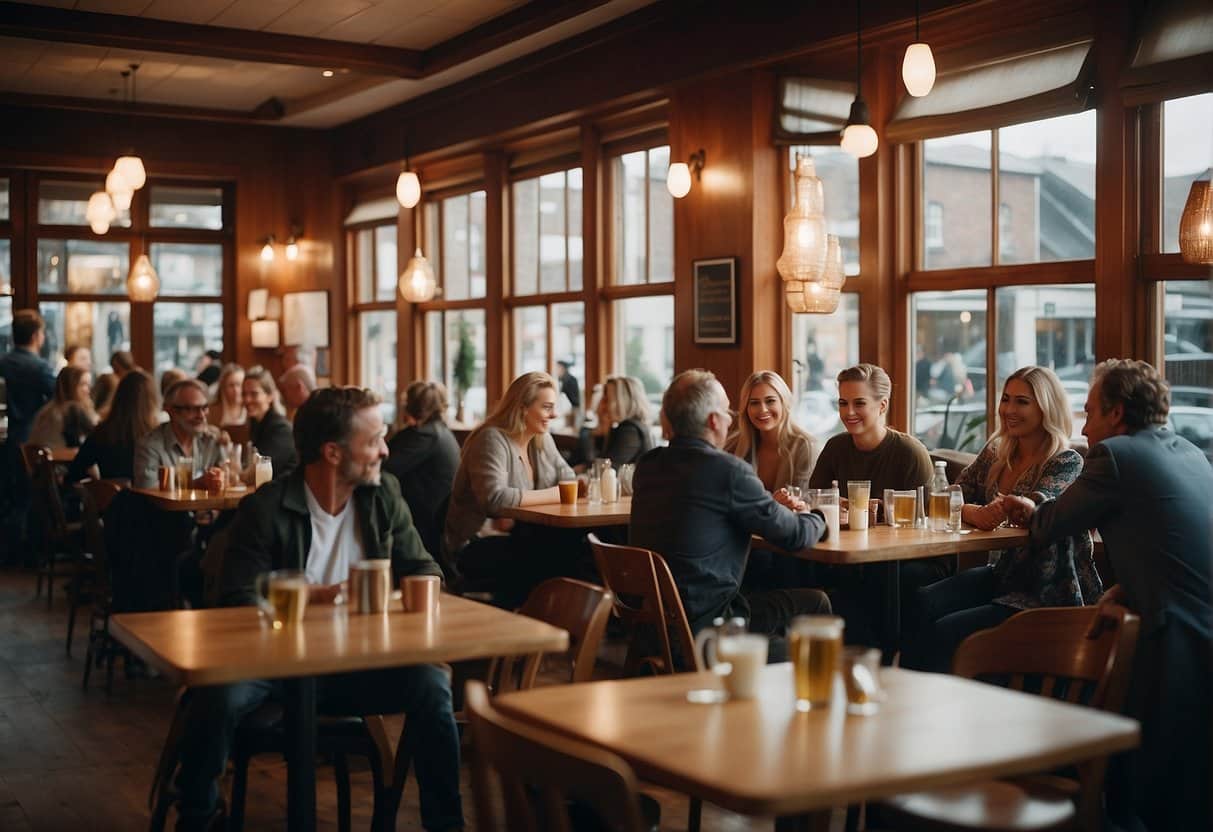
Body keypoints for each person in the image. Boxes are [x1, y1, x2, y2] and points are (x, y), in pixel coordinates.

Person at [173, 387, 463, 832]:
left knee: (432, 685)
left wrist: (409, 594)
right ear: (332, 452)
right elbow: (237, 599)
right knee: (216, 696)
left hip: (363, 661)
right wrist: (314, 596)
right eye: (374, 440)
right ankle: (198, 816)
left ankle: (445, 824)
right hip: (275, 667)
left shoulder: (383, 493)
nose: (386, 450)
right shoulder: (265, 508)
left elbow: (424, 566)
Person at [1002, 359, 1212, 832]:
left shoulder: (1115, 456)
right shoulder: (1190, 451)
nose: (1084, 420)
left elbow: (1048, 526)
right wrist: (1130, 587)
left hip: (1171, 633)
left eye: (1091, 410)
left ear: (1116, 414)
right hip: (1197, 624)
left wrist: (1027, 506)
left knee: (1131, 772)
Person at [902, 366, 1100, 672]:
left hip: (1045, 591)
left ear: (1046, 407)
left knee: (945, 632)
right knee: (919, 602)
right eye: (1006, 399)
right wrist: (974, 513)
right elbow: (945, 495)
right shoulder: (996, 452)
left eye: (1022, 401)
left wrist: (999, 509)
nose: (1008, 409)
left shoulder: (1066, 460)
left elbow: (1035, 508)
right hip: (1004, 574)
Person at [629, 369, 832, 654]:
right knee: (818, 602)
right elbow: (796, 536)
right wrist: (821, 517)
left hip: (656, 621)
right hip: (709, 627)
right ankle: (807, 688)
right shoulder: (728, 471)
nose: (730, 419)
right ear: (713, 421)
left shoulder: (649, 465)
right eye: (727, 412)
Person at [809, 363, 941, 646]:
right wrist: (837, 505)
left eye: (859, 403)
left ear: (882, 406)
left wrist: (873, 511)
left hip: (907, 560)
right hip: (853, 554)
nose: (848, 412)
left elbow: (923, 524)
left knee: (870, 578)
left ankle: (872, 660)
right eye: (843, 403)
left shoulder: (909, 453)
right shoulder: (835, 447)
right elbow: (814, 500)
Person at [444, 372, 574, 604]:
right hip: (475, 543)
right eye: (546, 407)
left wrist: (558, 492)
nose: (553, 415)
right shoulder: (492, 439)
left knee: (572, 548)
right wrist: (554, 495)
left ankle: (555, 623)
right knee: (550, 554)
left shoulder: (541, 439)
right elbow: (495, 499)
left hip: (523, 535)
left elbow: (569, 479)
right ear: (523, 408)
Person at [385, 381, 460, 563]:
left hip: (426, 527)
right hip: (439, 522)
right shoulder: (441, 432)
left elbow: (382, 470)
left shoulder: (425, 435)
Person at [726, 370, 816, 493]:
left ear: (784, 402)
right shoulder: (732, 446)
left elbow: (804, 502)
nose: (763, 409)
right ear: (746, 408)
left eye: (770, 401)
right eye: (754, 403)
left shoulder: (805, 447)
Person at [68, 369, 160, 483]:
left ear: (118, 397)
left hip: (109, 499)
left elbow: (73, 474)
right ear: (152, 400)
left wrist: (97, 484)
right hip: (153, 500)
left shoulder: (101, 433)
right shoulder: (157, 436)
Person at [133, 379, 227, 490]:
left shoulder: (212, 440)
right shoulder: (149, 446)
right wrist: (196, 484)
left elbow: (228, 477)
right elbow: (148, 490)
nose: (201, 415)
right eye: (191, 409)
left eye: (204, 407)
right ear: (170, 410)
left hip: (207, 507)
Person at [0, 309, 57, 446]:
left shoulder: (3, 363)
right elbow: (58, 395)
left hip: (7, 435)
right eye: (42, 332)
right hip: (32, 434)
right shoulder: (40, 367)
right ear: (35, 336)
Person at [241, 365, 297, 479]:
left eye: (254, 394)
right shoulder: (256, 424)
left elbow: (256, 473)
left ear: (270, 396)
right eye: (244, 394)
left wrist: (237, 473)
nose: (247, 400)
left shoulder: (281, 429)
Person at [28, 365, 97, 449]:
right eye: (83, 384)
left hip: (47, 460)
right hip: (63, 459)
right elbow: (95, 439)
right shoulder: (72, 410)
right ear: (70, 385)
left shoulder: (48, 409)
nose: (88, 390)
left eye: (89, 385)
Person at [592, 375, 654, 466]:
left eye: (607, 399)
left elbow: (605, 469)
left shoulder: (630, 431)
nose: (603, 406)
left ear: (623, 401)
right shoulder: (628, 426)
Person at [208, 363, 246, 429]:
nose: (236, 390)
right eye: (231, 385)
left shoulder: (251, 409)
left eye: (239, 384)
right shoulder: (211, 410)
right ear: (223, 387)